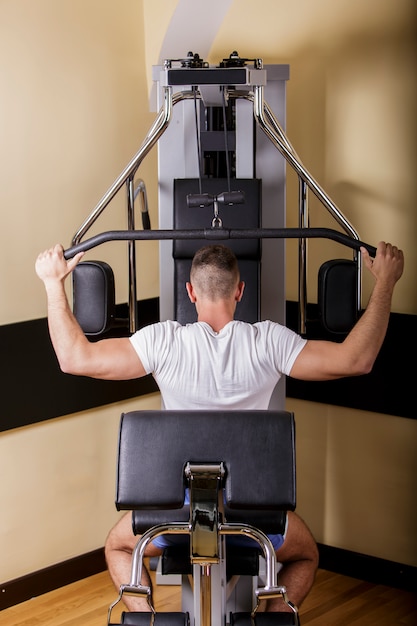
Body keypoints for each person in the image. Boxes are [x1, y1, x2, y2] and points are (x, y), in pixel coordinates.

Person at [35, 240, 404, 613]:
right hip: (253, 514)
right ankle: (271, 621)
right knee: (306, 555)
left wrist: (53, 284)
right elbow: (357, 359)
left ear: (190, 292)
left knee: (117, 545)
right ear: (240, 292)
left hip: (176, 514)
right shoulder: (269, 341)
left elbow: (73, 357)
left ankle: (147, 620)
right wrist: (386, 283)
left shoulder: (163, 341)